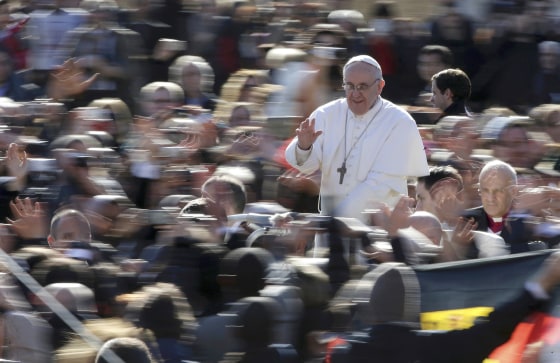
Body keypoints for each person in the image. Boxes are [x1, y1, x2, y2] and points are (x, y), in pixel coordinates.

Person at [335, 250, 560, 363]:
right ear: (413, 307)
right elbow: (492, 329)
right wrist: (540, 285)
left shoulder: (344, 353)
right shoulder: (435, 347)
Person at [285, 55, 429, 222]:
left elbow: (382, 181)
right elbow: (307, 167)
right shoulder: (326, 114)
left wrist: (338, 218)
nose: (355, 94)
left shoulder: (399, 122)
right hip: (331, 224)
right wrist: (304, 148)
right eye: (350, 86)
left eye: (362, 87)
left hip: (379, 224)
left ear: (379, 86)